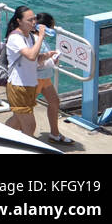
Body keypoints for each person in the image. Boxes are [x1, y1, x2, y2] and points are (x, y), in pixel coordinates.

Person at [4, 6, 55, 138]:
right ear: (19, 21)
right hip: (18, 86)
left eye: (34, 19)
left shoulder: (30, 37)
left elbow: (35, 60)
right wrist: (41, 37)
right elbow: (31, 55)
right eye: (29, 20)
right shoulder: (15, 38)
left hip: (30, 85)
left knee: (16, 122)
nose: (34, 23)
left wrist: (47, 56)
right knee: (29, 126)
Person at [34, 12, 75, 145]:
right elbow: (36, 63)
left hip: (44, 78)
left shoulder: (41, 39)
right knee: (25, 110)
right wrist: (53, 60)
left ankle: (55, 134)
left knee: (54, 102)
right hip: (35, 79)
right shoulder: (36, 40)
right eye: (52, 26)